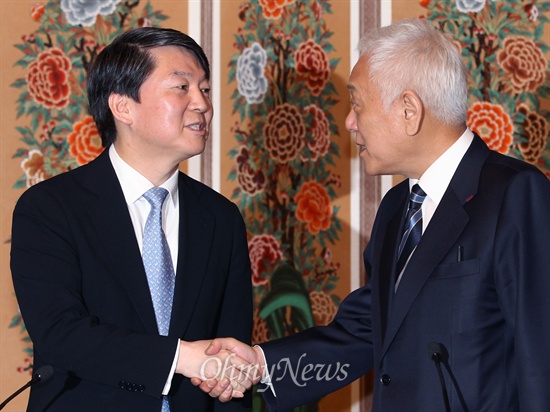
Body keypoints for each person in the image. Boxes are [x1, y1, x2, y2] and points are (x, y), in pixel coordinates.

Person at [195, 18, 550, 411]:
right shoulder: (397, 207)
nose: (349, 122)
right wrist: (260, 364)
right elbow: (367, 330)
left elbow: (541, 356)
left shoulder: (516, 193)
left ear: (409, 110)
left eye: (357, 104)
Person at [10, 27, 253, 412]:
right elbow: (61, 334)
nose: (203, 104)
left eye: (205, 90)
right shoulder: (50, 207)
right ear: (123, 107)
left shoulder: (220, 218)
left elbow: (229, 349)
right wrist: (182, 357)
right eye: (181, 87)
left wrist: (232, 378)